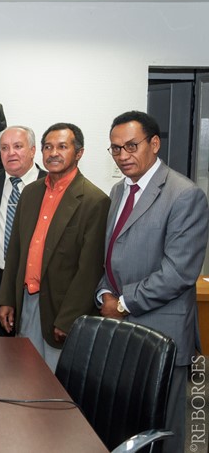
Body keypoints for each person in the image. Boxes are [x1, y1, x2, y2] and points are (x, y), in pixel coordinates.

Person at [97, 111, 209, 453]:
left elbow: (178, 273)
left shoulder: (184, 194)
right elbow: (112, 256)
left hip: (164, 332)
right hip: (124, 332)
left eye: (131, 146)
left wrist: (123, 303)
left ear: (154, 143)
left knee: (165, 433)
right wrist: (104, 292)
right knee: (130, 428)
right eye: (115, 149)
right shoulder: (119, 190)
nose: (123, 156)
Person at [0, 123, 110, 371]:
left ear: (79, 153)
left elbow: (89, 270)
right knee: (24, 373)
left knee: (56, 382)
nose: (53, 153)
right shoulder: (30, 192)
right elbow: (15, 251)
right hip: (27, 300)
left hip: (61, 307)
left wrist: (69, 318)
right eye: (48, 147)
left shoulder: (95, 201)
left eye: (62, 146)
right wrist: (6, 298)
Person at [0, 126, 46, 336]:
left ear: (33, 150)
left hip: (35, 281)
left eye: (18, 146)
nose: (11, 153)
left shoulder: (50, 183)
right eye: (5, 148)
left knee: (30, 351)